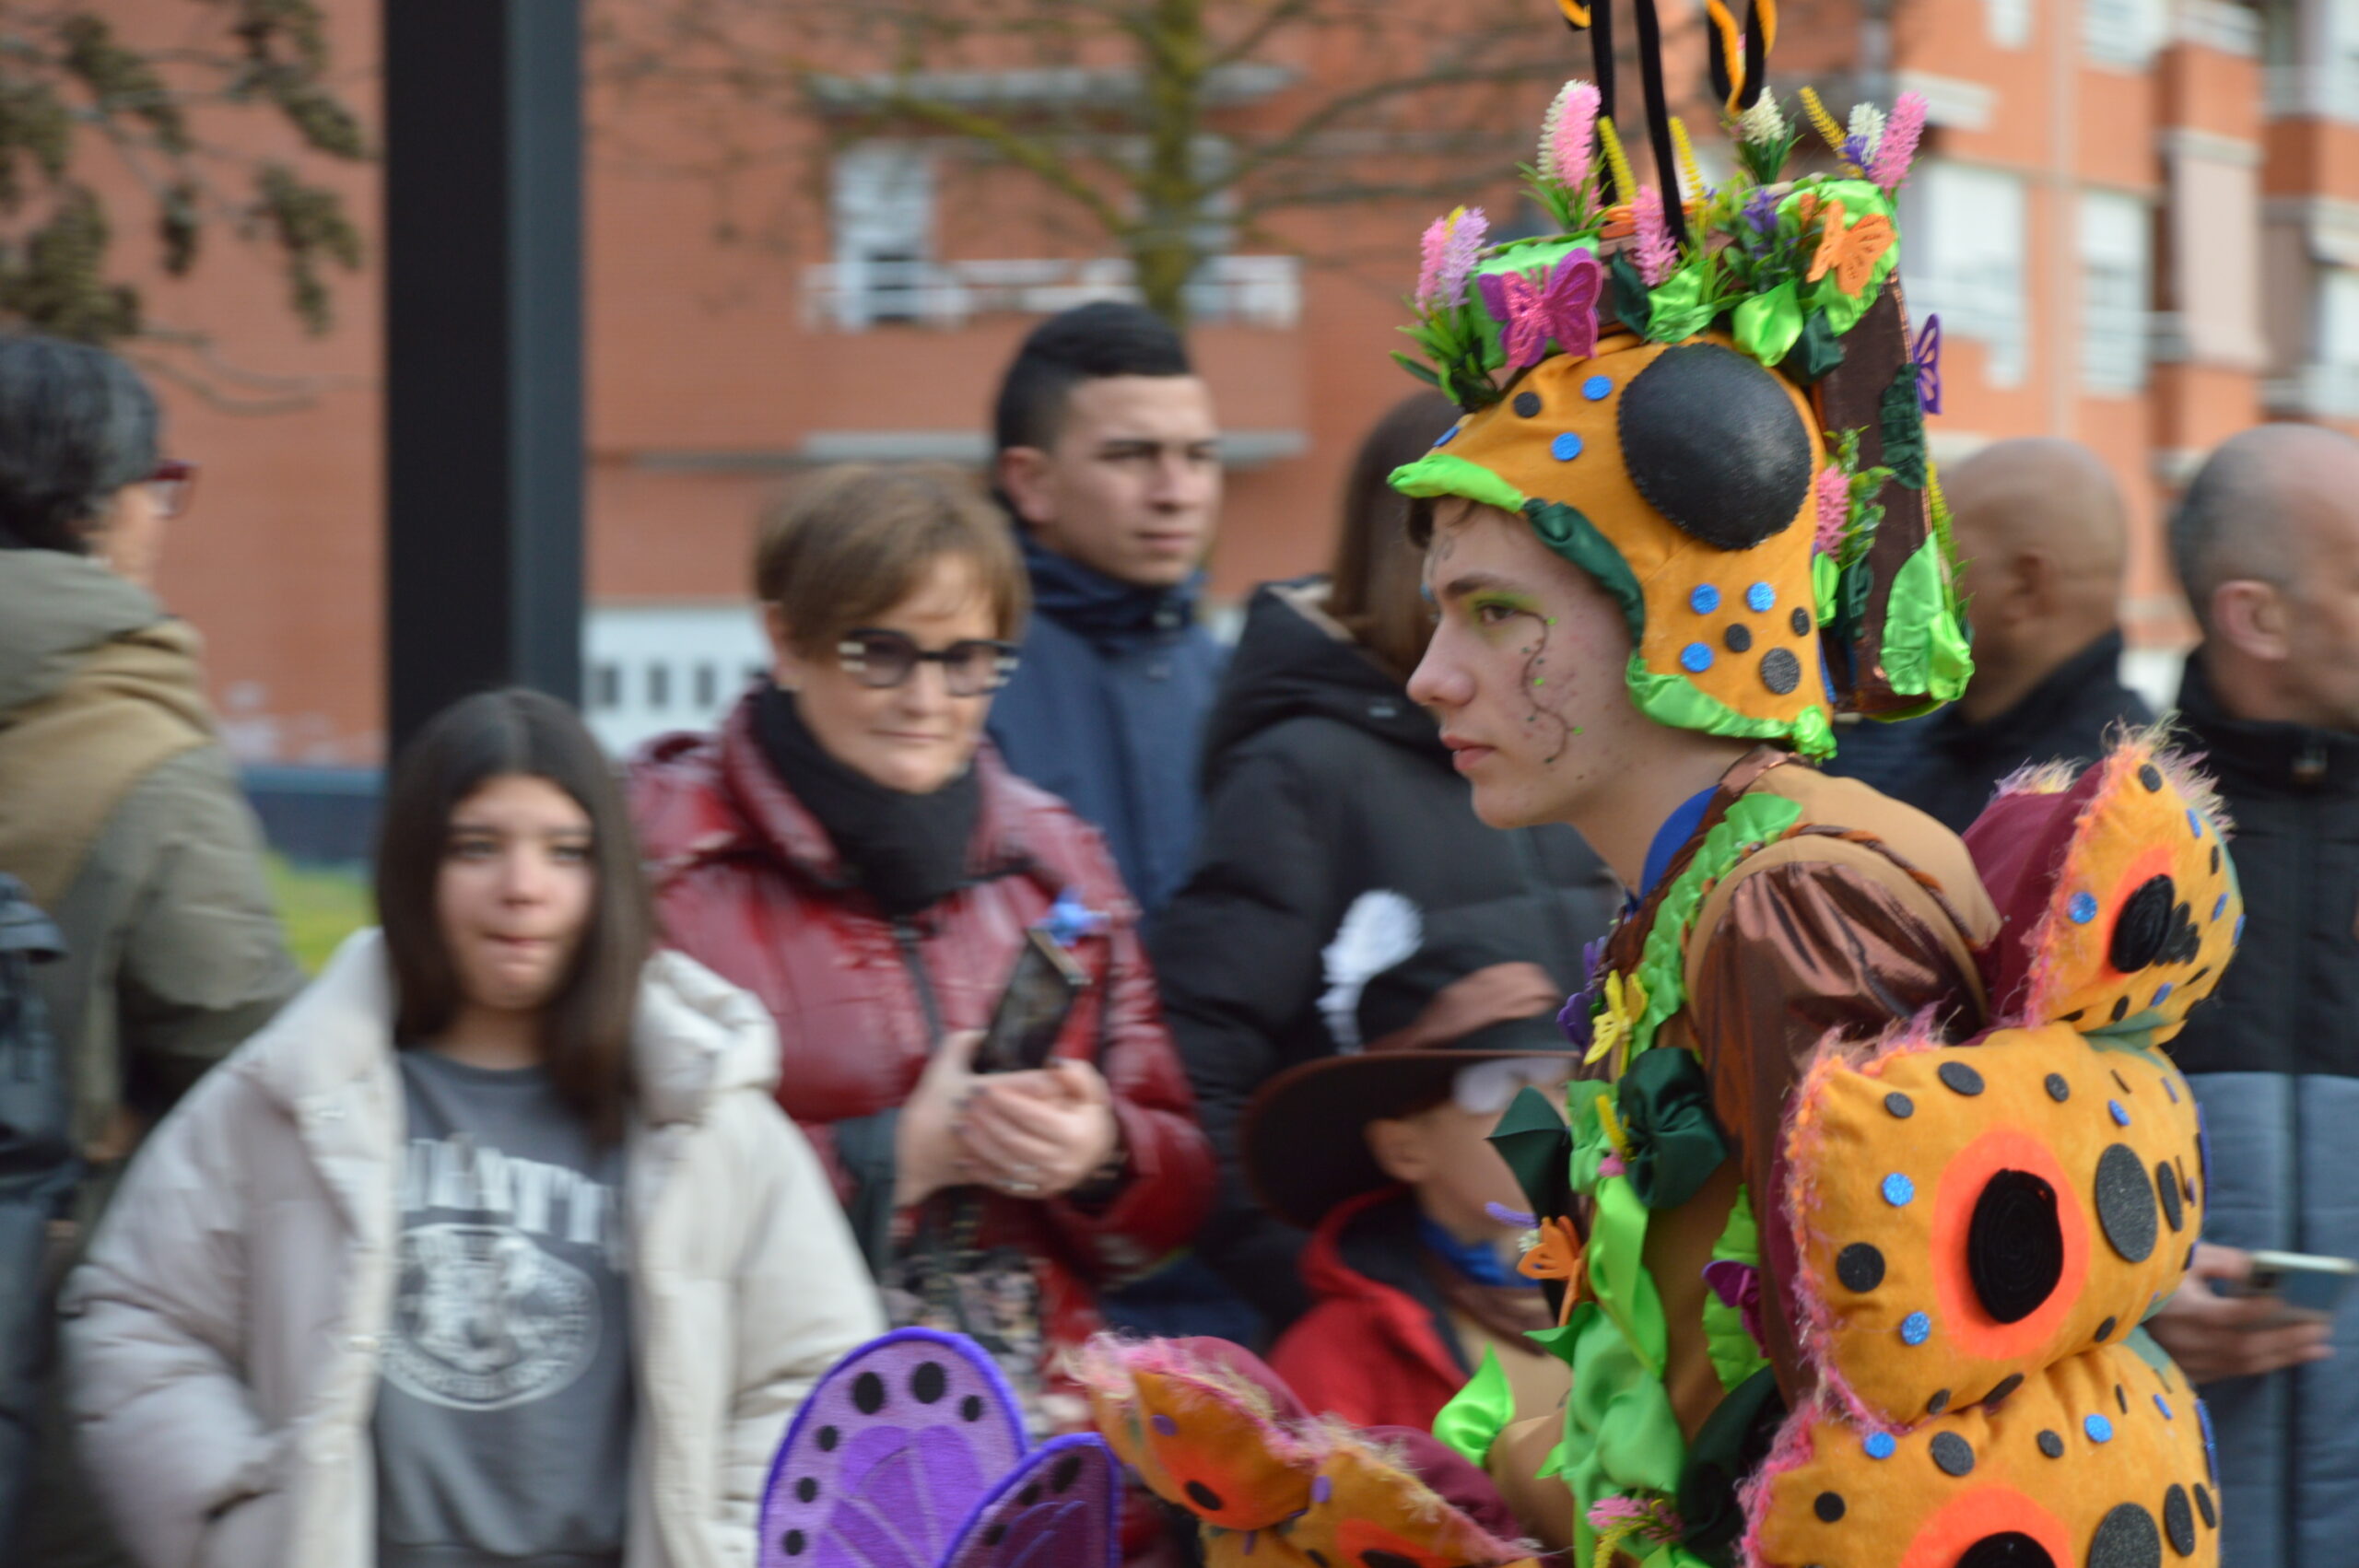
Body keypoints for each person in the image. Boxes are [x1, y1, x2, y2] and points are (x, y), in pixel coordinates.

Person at [1122, 32, 2234, 1564]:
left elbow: (1832, 1424)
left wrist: (1518, 1458)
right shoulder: (1714, 874)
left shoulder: (1786, 900)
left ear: (1671, 616)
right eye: (1439, 612)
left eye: (1497, 613)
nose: (1434, 675)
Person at [59, 687, 881, 1568]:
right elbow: (138, 1318)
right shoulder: (294, 1095)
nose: (522, 888)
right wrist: (249, 1522)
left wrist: (720, 1547)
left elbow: (818, 1371)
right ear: (416, 868)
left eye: (566, 852)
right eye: (476, 848)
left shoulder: (706, 1116)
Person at [628, 463, 1214, 1442]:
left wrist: (1102, 1154)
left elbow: (1179, 1188)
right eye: (881, 653)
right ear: (785, 640)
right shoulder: (663, 857)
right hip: (770, 1446)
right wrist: (892, 1156)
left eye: (967, 659)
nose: (928, 697)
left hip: (1042, 1451)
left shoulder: (1056, 857)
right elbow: (609, 1189)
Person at [1155, 389, 1613, 1332]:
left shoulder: (1569, 746)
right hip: (1395, 1347)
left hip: (1582, 1316)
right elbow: (1194, 1081)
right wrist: (1355, 1302)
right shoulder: (1300, 770)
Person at [0, 333, 299, 1567]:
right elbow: (262, 1064)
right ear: (100, 505)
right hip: (51, 1371)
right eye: (157, 484)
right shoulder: (146, 763)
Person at [2144, 423, 2359, 1568]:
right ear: (2256, 618)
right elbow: (1952, 1173)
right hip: (2159, 1516)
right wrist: (2117, 1294)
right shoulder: (2087, 850)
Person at [1249, 894, 1580, 1432]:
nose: (1552, 1119)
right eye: (1503, 1092)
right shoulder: (1340, 1360)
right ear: (1403, 1149)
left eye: (1564, 1086)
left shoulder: (1641, 1282)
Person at [985, 301, 1225, 919]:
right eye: (1131, 456)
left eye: (1198, 457)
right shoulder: (956, 680)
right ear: (1030, 482)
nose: (1176, 494)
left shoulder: (1237, 678)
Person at [1853, 437, 2154, 831]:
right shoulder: (1948, 741)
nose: (1897, 588)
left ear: (2025, 588)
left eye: (1931, 560)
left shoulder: (2095, 815)